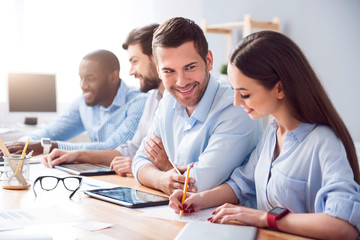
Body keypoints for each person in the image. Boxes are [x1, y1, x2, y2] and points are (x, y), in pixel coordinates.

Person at [169, 31, 360, 239]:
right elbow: (242, 184)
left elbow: (345, 227)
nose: (236, 102)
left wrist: (266, 218)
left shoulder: (323, 141)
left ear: (279, 88)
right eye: (234, 91)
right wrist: (198, 200)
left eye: (245, 94)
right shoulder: (272, 132)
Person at [132, 17, 263, 195]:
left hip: (227, 219)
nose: (181, 82)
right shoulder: (168, 100)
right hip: (179, 213)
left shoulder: (235, 107)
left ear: (208, 60)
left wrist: (163, 168)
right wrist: (162, 179)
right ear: (158, 71)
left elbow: (197, 185)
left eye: (190, 67)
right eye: (169, 71)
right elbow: (139, 161)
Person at [42, 24, 166, 176]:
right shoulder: (154, 98)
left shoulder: (142, 100)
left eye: (135, 61)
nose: (131, 71)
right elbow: (131, 149)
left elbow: (176, 165)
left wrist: (140, 166)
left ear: (156, 58)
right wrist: (77, 155)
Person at [6, 50, 147, 156]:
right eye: (81, 78)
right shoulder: (83, 102)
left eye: (90, 78)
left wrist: (46, 146)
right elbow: (50, 133)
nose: (83, 85)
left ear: (113, 76)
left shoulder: (139, 102)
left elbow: (112, 148)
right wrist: (16, 145)